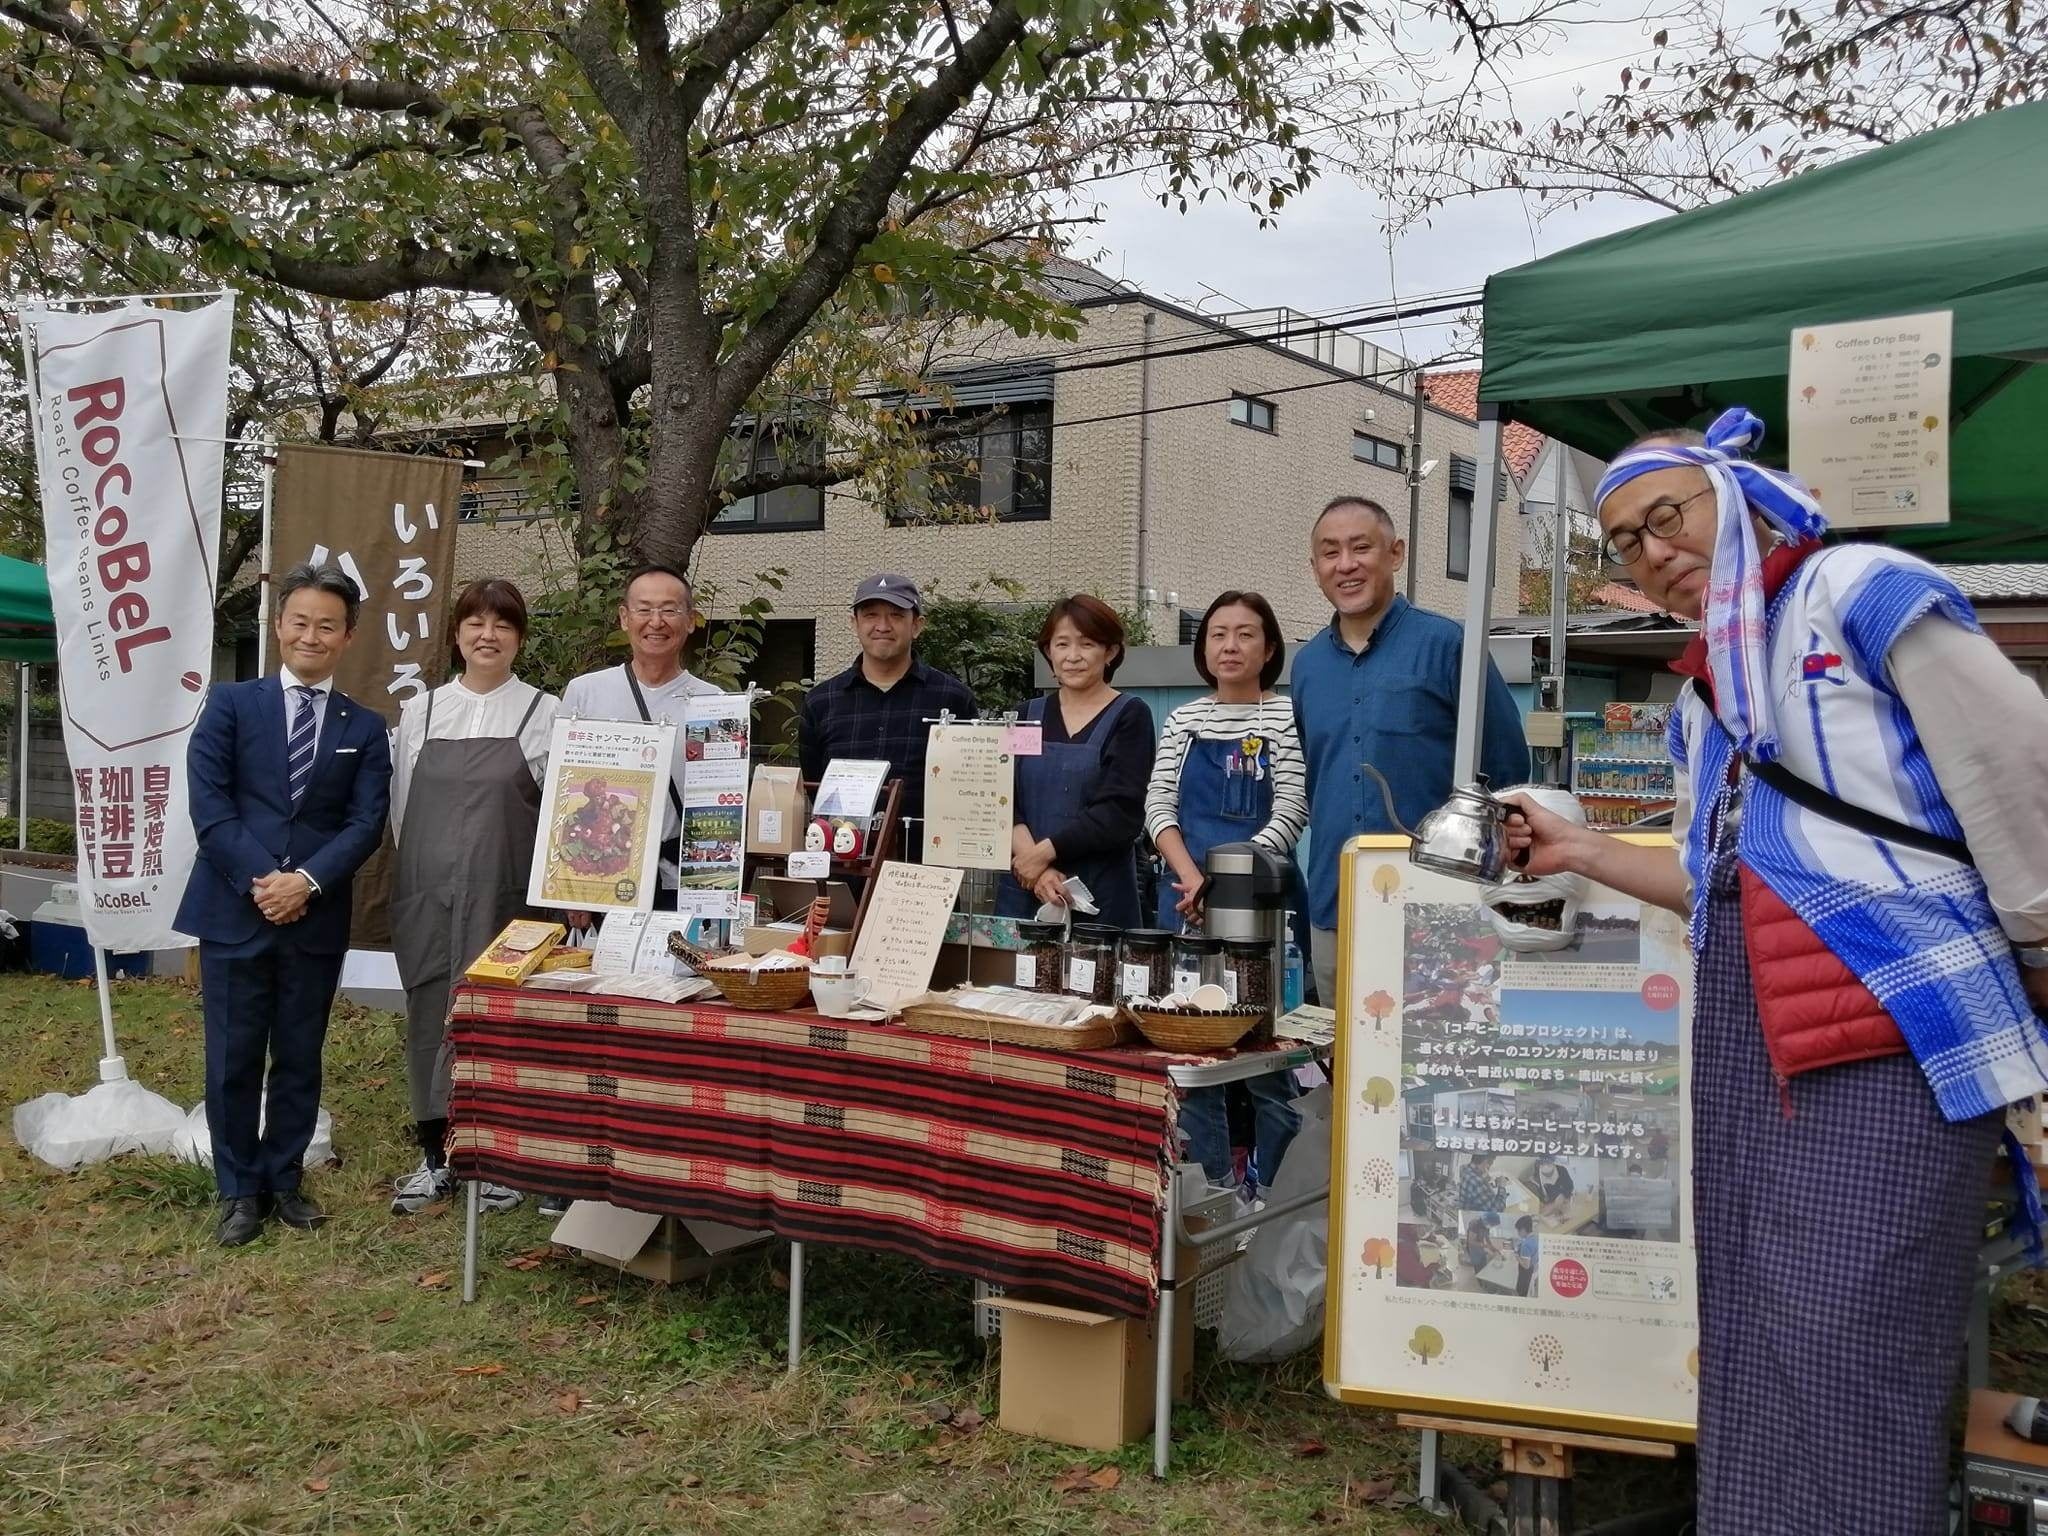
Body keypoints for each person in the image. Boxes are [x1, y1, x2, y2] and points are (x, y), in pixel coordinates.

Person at [1503, 408, 2048, 1535]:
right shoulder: (1703, 693)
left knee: (1852, 1339)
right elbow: (1720, 876)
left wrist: (2039, 945)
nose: (1653, 551)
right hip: (1751, 1040)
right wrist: (1582, 851)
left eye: (1667, 516)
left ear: (1742, 500)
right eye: (1626, 541)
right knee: (1755, 1329)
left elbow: (2016, 769)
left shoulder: (1862, 590)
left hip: (1887, 1027)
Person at [176, 564, 393, 1247]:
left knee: (300, 1054)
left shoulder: (366, 726)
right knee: (233, 1056)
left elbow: (366, 823)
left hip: (315, 916)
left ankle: (285, 1179)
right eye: (300, 622)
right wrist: (266, 881)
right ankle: (238, 1190)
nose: (311, 636)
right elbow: (210, 806)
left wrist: (307, 883)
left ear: (348, 636)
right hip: (235, 910)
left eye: (327, 625)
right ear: (278, 626)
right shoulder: (230, 705)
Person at [1292, 496, 1530, 1008]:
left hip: (1437, 901)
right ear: (1314, 568)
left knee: (1439, 1041)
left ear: (1396, 553)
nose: (1345, 564)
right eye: (1330, 553)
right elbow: (1318, 777)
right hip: (1335, 901)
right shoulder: (1307, 666)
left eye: (1361, 548)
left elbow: (1508, 766)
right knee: (1346, 1044)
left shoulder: (1448, 645)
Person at [386, 579, 558, 1217]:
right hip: (429, 893)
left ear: (520, 638)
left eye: (503, 624)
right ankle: (435, 1155)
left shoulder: (545, 711)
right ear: (456, 634)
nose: (488, 635)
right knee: (430, 1011)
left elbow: (557, 816)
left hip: (505, 896)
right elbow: (402, 809)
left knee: (501, 1018)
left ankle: (502, 1162)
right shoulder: (422, 711)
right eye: (475, 623)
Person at [1144, 591, 1309, 1191]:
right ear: (1203, 647)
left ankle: (1277, 1193)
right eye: (1218, 634)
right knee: (1194, 1054)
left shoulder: (1288, 718)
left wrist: (1227, 879)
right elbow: (1157, 805)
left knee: (1268, 1058)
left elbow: (1292, 809)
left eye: (1245, 634)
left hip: (1262, 904)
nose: (1230, 646)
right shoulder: (1184, 720)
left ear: (1269, 648)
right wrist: (1193, 879)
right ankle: (1213, 1190)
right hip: (1184, 900)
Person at [559, 565, 719, 915]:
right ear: (624, 618)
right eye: (644, 609)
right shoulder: (585, 693)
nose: (656, 622)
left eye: (669, 610)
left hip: (681, 882)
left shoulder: (714, 703)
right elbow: (565, 794)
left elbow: (721, 806)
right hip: (601, 876)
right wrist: (568, 886)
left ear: (690, 620)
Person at [996, 595, 1155, 928]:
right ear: (1048, 651)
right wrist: (1035, 868)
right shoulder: (1025, 716)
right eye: (1062, 644)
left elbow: (1119, 811)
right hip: (1025, 886)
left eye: (1087, 644)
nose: (1073, 656)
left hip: (1100, 892)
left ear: (1110, 652)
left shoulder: (1130, 716)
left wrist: (1042, 855)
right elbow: (1003, 797)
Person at [797, 573, 977, 836]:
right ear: (854, 624)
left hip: (925, 855)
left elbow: (967, 782)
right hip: (843, 854)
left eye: (896, 615)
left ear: (917, 625)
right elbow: (815, 781)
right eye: (871, 615)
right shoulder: (821, 702)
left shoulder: (953, 699)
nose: (882, 626)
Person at [1514, 1215, 1538, 1297]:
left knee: (1522, 1290)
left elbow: (1526, 1266)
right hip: (1533, 1267)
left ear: (1523, 1230)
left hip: (1526, 1271)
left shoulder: (1526, 1245)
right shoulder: (1535, 1238)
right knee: (1525, 1288)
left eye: (1518, 1230)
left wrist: (1517, 1257)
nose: (1518, 1233)